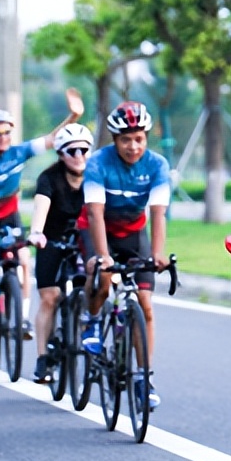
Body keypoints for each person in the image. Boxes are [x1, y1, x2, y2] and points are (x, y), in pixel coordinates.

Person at [0, 89, 84, 338]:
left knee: (24, 260)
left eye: (6, 132)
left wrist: (73, 116)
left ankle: (22, 319)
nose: (2, 137)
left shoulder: (19, 151)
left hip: (9, 215)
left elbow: (52, 139)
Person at [81, 101, 172, 410]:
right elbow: (94, 213)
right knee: (103, 277)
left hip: (134, 233)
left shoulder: (157, 165)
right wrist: (103, 256)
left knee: (145, 306)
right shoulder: (98, 164)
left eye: (139, 139)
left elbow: (158, 213)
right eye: (125, 140)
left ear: (147, 138)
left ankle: (144, 379)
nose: (133, 146)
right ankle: (91, 320)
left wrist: (158, 254)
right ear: (114, 140)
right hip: (100, 229)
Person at [27, 123, 93, 384]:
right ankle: (43, 357)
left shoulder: (96, 177)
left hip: (84, 240)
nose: (79, 156)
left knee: (95, 283)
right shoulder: (49, 178)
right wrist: (36, 233)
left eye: (84, 150)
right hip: (51, 240)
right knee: (50, 298)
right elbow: (41, 208)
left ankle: (89, 328)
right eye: (72, 151)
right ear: (60, 154)